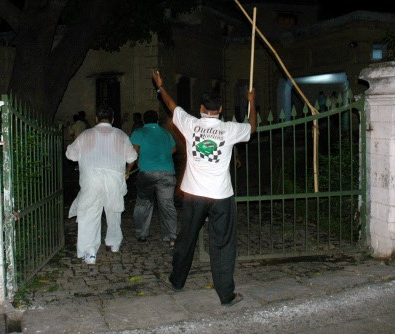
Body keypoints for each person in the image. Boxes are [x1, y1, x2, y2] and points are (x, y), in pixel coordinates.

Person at [151, 69, 257, 307]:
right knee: (222, 243)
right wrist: (252, 102)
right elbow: (252, 128)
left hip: (194, 194)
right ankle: (226, 295)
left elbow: (172, 106)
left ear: (201, 108)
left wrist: (160, 86)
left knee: (186, 238)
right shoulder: (229, 129)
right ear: (219, 110)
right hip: (220, 196)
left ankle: (177, 281)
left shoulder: (190, 124)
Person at [66, 105, 137, 265]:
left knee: (89, 214)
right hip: (114, 178)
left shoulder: (86, 134)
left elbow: (71, 155)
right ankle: (114, 243)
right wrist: (126, 170)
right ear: (112, 120)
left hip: (91, 179)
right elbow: (132, 158)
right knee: (114, 211)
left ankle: (89, 252)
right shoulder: (121, 135)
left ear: (96, 119)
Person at [130, 109, 177, 247]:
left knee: (144, 203)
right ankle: (171, 236)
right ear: (157, 120)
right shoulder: (165, 133)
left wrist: (128, 169)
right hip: (167, 172)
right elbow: (174, 149)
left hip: (147, 173)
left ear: (144, 120)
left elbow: (134, 153)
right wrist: (161, 154)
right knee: (167, 205)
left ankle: (141, 234)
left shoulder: (138, 132)